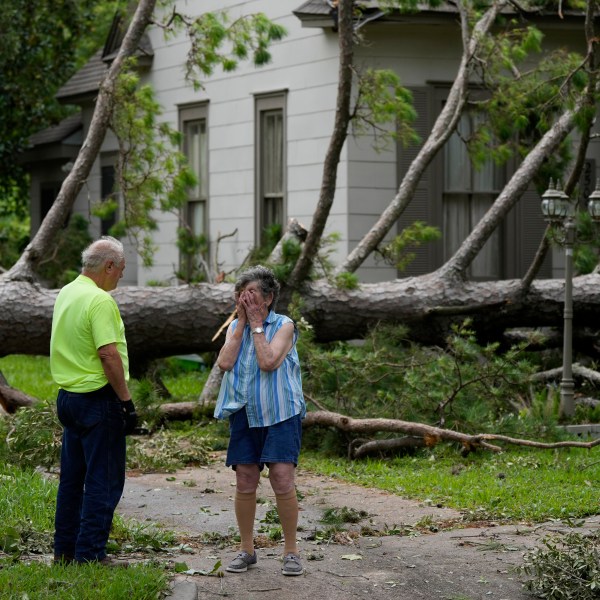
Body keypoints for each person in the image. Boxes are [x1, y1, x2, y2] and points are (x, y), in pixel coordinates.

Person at [50, 236, 137, 566]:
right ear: (109, 266)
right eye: (121, 269)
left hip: (68, 398)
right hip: (98, 400)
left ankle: (65, 551)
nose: (121, 277)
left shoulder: (67, 292)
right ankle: (90, 555)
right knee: (104, 479)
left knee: (71, 480)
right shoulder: (100, 301)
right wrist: (126, 402)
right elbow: (108, 353)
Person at [214, 265, 306, 576]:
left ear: (267, 298)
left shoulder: (284, 326)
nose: (245, 298)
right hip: (244, 411)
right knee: (245, 479)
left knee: (281, 478)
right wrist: (241, 323)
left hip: (280, 413)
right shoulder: (234, 327)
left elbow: (268, 362)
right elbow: (224, 362)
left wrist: (256, 324)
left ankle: (291, 551)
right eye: (241, 294)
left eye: (252, 293)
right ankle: (246, 549)